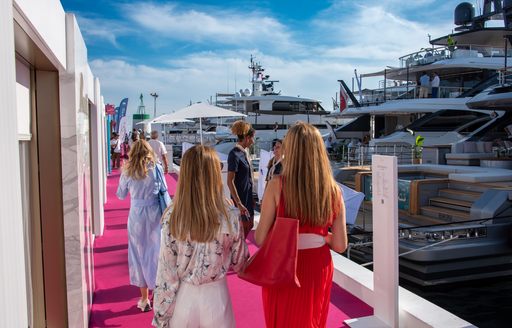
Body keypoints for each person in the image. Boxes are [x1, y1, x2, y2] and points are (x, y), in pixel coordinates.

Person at [255, 122, 348, 328]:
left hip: (284, 267)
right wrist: (321, 237)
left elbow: (260, 238)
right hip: (317, 265)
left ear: (291, 149)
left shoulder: (276, 185)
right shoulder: (334, 191)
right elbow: (341, 245)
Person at [152, 145, 249, 328]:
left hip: (184, 300)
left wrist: (161, 316)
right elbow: (240, 262)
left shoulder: (172, 216)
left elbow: (166, 273)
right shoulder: (230, 215)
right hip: (217, 298)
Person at [116, 140, 168, 312]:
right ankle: (158, 293)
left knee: (138, 254)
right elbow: (165, 190)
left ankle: (144, 299)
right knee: (156, 252)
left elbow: (121, 195)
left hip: (136, 216)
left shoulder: (127, 171)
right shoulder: (156, 168)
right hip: (154, 214)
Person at [227, 120, 256, 238]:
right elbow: (230, 181)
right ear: (247, 138)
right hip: (240, 201)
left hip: (248, 199)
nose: (254, 141)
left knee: (249, 227)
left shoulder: (244, 153)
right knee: (241, 232)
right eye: (253, 138)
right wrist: (238, 203)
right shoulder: (234, 154)